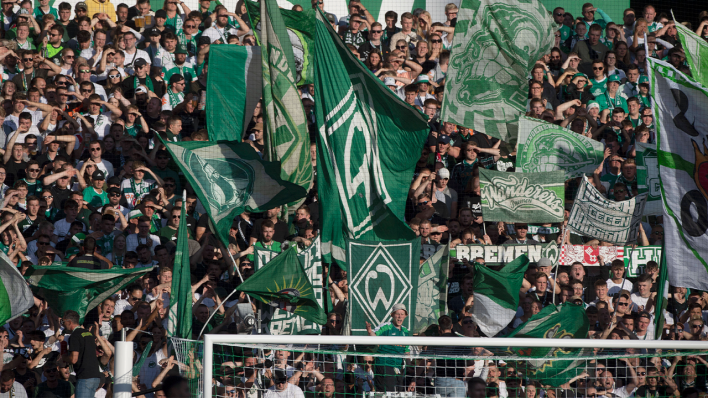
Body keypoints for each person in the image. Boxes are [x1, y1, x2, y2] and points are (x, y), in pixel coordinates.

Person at [366, 303, 410, 392]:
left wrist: (409, 368)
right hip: (384, 365)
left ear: (405, 316)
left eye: (402, 314)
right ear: (392, 315)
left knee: (399, 392)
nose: (400, 316)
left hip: (398, 367)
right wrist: (370, 331)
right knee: (387, 392)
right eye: (397, 314)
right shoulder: (386, 327)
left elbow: (406, 351)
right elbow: (374, 336)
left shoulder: (405, 331)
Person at [62, 310, 102, 398]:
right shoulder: (88, 333)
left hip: (85, 378)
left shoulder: (75, 335)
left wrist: (64, 357)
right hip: (95, 377)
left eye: (63, 321)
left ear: (69, 322)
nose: (62, 324)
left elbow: (73, 359)